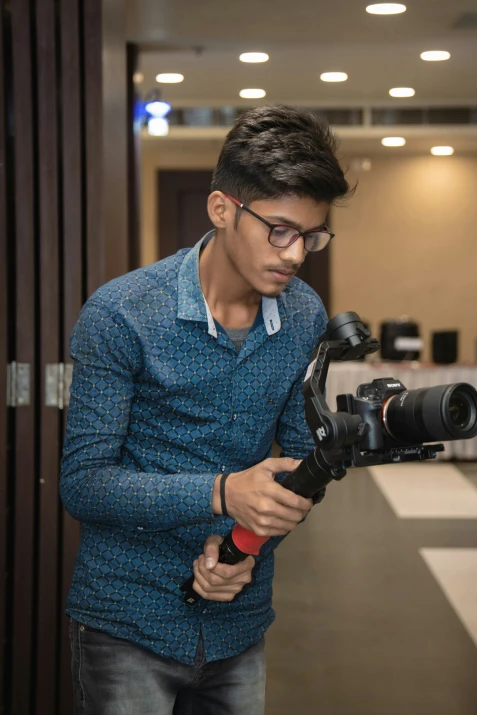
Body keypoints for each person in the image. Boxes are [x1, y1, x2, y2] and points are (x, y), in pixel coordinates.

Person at [60, 104, 351, 715]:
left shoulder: (303, 317)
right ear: (222, 209)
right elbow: (84, 484)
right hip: (126, 622)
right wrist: (222, 493)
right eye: (278, 229)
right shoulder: (121, 314)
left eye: (312, 235)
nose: (296, 253)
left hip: (238, 620)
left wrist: (245, 552)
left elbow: (302, 469)